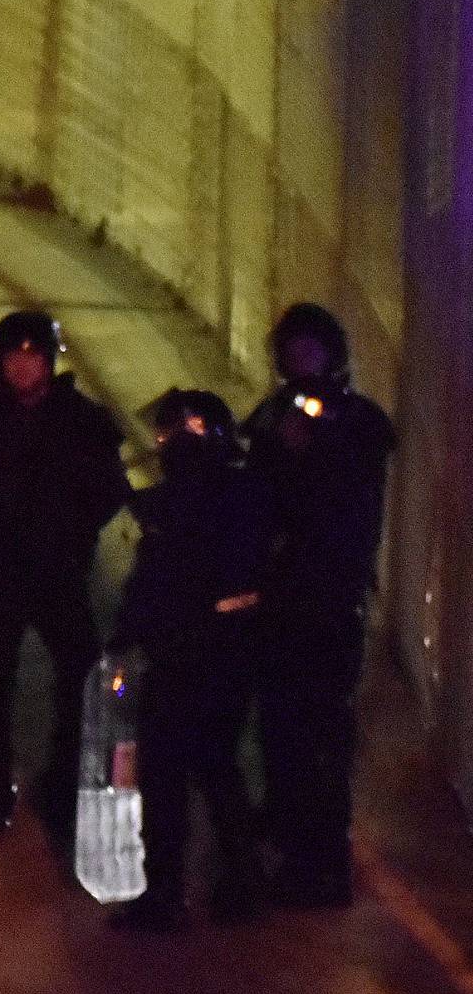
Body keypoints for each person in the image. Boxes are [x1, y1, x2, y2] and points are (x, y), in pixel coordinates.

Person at [0, 310, 131, 840]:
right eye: (14, 359)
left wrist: (72, 534)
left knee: (80, 676)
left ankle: (64, 781)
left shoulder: (83, 421)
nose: (24, 369)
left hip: (59, 574)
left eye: (33, 358)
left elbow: (109, 489)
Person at [242, 303, 394, 909]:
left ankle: (323, 862)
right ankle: (283, 826)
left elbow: (351, 503)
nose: (303, 362)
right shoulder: (275, 415)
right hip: (279, 599)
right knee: (279, 723)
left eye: (313, 350)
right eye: (293, 351)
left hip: (328, 601)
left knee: (323, 733)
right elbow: (256, 489)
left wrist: (310, 449)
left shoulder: (357, 422)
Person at [107, 390, 272, 932]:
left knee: (181, 768)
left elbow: (162, 579)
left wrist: (129, 633)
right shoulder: (236, 496)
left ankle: (175, 893)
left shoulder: (204, 500)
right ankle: (223, 884)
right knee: (206, 765)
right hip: (214, 649)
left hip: (200, 648)